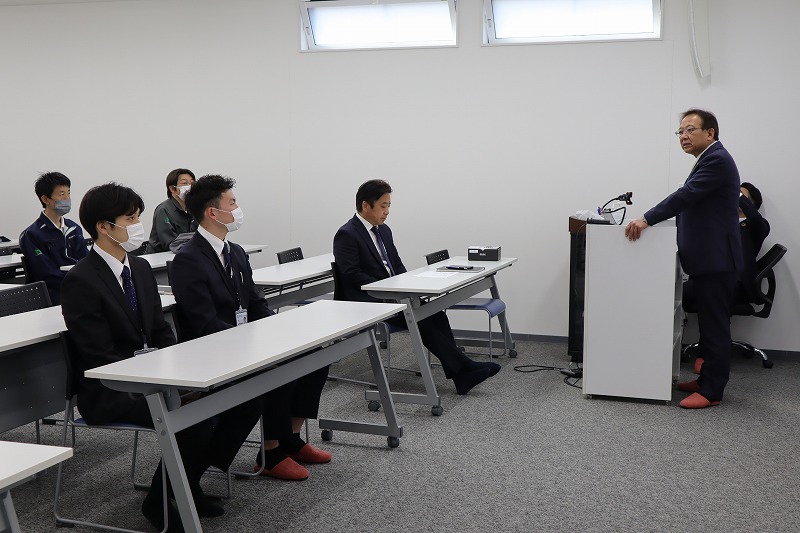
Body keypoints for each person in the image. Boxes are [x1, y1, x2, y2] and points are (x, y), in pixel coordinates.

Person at [60, 182, 261, 532]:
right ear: (103, 227)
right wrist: (160, 383)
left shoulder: (138, 268)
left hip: (154, 375)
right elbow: (99, 354)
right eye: (130, 219)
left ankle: (188, 480)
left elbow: (160, 330)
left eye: (138, 217)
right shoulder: (81, 279)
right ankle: (158, 501)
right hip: (113, 388)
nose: (137, 226)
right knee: (195, 419)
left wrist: (178, 374)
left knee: (241, 397)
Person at [170, 174, 330, 481]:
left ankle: (291, 438)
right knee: (274, 369)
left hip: (242, 341)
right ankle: (270, 453)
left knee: (314, 356)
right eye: (232, 203)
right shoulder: (188, 259)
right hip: (213, 348)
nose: (238, 208)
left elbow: (255, 301)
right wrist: (251, 343)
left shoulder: (236, 252)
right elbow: (203, 321)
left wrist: (275, 329)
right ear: (212, 212)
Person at [333, 179, 501, 395]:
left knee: (436, 314)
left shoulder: (384, 230)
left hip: (392, 295)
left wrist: (408, 284)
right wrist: (387, 288)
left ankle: (461, 373)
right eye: (383, 206)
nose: (387, 211)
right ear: (366, 205)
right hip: (368, 301)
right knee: (419, 318)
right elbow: (352, 275)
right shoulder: (347, 234)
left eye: (389, 206)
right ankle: (464, 370)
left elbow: (396, 263)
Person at [625, 109, 742, 409]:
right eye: (680, 132)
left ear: (710, 133)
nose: (684, 136)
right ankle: (705, 381)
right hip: (708, 260)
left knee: (715, 327)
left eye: (690, 130)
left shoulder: (717, 159)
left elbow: (686, 195)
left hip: (716, 260)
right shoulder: (708, 159)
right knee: (708, 326)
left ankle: (712, 391)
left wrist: (647, 219)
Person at [684, 181, 770, 374]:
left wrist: (735, 193)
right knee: (686, 292)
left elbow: (756, 220)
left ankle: (706, 356)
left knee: (711, 295)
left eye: (741, 195)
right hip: (712, 278)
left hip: (739, 284)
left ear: (751, 204)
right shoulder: (721, 222)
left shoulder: (757, 225)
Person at [18, 172, 89, 304]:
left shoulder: (74, 228)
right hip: (55, 295)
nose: (67, 198)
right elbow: (46, 274)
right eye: (61, 194)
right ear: (46, 199)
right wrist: (80, 283)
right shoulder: (32, 235)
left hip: (81, 288)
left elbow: (87, 260)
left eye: (68, 193)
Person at [147, 168, 197, 252]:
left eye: (192, 183)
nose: (190, 187)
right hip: (160, 256)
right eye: (184, 183)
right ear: (172, 189)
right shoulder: (163, 210)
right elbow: (170, 243)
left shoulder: (194, 208)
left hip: (186, 253)